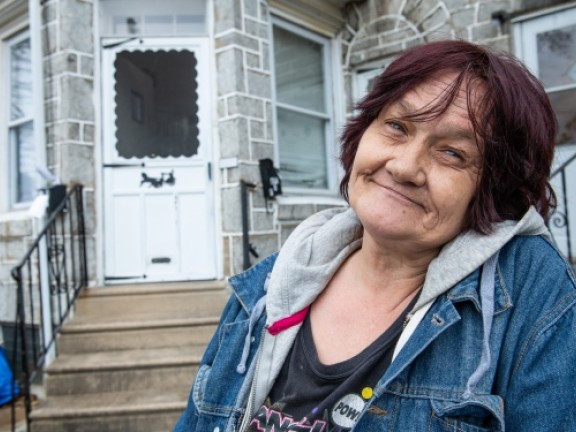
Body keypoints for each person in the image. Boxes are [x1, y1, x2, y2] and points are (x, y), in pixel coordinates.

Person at [174, 40, 576, 432]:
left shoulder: (530, 294)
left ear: (493, 188)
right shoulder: (270, 285)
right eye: (397, 127)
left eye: (452, 153)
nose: (404, 167)